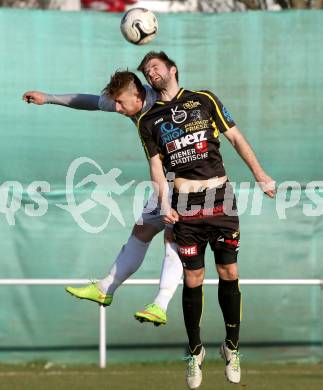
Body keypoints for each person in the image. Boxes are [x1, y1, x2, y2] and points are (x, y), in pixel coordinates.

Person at [136, 51, 276, 388]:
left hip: (220, 197)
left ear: (172, 69)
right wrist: (164, 202)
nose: (151, 73)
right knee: (193, 277)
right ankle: (195, 350)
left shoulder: (204, 100)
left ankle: (232, 347)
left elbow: (236, 138)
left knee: (229, 271)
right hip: (185, 203)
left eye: (155, 67)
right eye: (146, 71)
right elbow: (156, 166)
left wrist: (260, 174)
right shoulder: (148, 120)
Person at [22, 71, 183, 326]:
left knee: (172, 237)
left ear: (139, 95)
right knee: (141, 231)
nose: (117, 109)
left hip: (187, 181)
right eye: (115, 103)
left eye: (121, 103)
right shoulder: (128, 103)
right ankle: (106, 287)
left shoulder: (163, 101)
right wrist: (49, 98)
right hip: (165, 180)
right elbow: (90, 102)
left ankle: (161, 304)